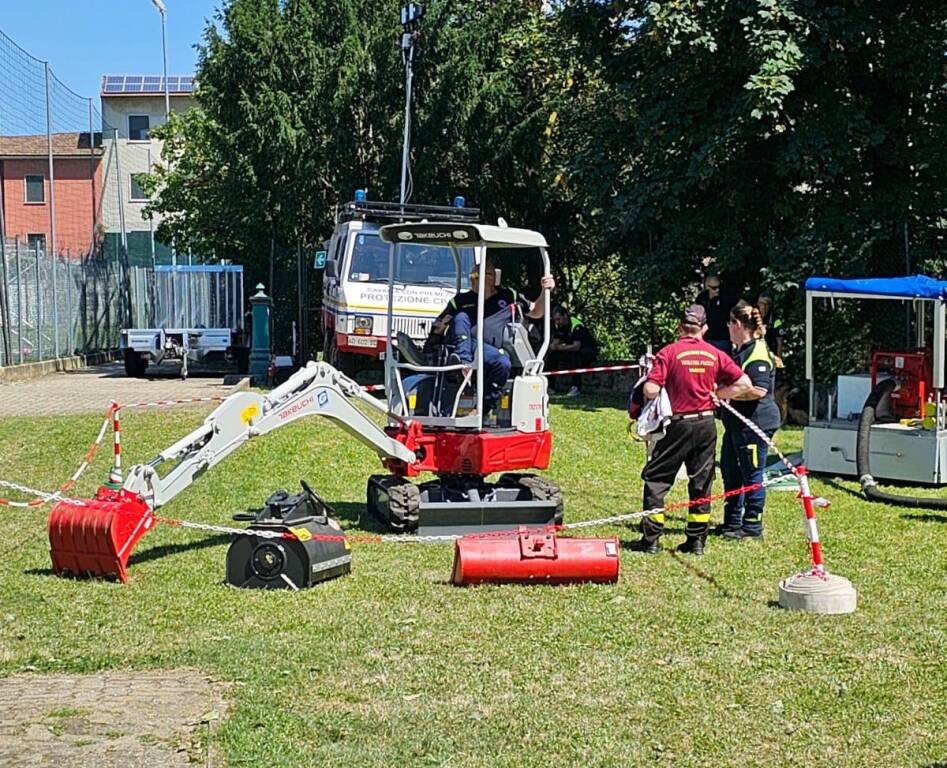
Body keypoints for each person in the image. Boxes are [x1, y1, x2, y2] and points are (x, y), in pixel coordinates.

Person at [636, 304, 752, 555]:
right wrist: (718, 395)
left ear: (680, 327)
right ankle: (696, 541)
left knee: (657, 479)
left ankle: (651, 540)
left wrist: (650, 382)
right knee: (701, 482)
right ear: (705, 328)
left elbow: (651, 390)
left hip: (678, 423)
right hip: (706, 424)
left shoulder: (668, 353)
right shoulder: (715, 354)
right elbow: (744, 383)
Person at [427, 255, 554, 413]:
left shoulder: (508, 296)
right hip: (465, 346)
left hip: (489, 350)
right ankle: (463, 365)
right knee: (461, 317)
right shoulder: (461, 300)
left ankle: (482, 410)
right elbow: (438, 326)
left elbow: (536, 312)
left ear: (493, 278)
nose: (474, 279)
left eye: (480, 275)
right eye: (473, 275)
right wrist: (439, 329)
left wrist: (545, 290)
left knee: (503, 362)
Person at [715, 300, 781, 540]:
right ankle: (732, 522)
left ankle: (752, 527)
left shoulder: (758, 353)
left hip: (756, 423)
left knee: (752, 474)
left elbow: (758, 390)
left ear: (738, 324)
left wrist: (722, 394)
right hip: (735, 423)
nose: (727, 328)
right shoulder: (739, 350)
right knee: (730, 472)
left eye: (730, 323)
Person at [546, 305, 598, 397]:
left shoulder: (576, 325)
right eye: (555, 320)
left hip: (588, 351)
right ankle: (550, 387)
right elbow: (556, 342)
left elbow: (576, 346)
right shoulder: (560, 326)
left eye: (558, 319)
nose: (557, 322)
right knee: (553, 356)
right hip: (573, 350)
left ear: (565, 316)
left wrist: (558, 347)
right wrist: (551, 348)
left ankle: (576, 387)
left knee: (575, 356)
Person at [696, 274, 733, 353]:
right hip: (706, 337)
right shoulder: (702, 298)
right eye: (714, 288)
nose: (717, 290)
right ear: (707, 287)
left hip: (722, 338)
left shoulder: (725, 297)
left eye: (719, 287)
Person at [756, 292, 785, 363]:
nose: (763, 307)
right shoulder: (753, 317)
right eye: (761, 303)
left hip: (770, 355)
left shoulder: (776, 320)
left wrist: (779, 359)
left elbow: (780, 342)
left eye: (766, 304)